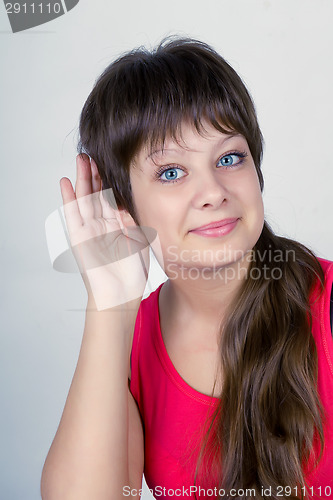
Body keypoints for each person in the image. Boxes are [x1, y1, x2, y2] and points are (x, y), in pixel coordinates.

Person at [41, 37, 333, 500]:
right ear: (123, 205)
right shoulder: (128, 342)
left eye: (229, 158)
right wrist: (109, 305)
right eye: (171, 172)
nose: (214, 191)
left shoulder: (328, 303)